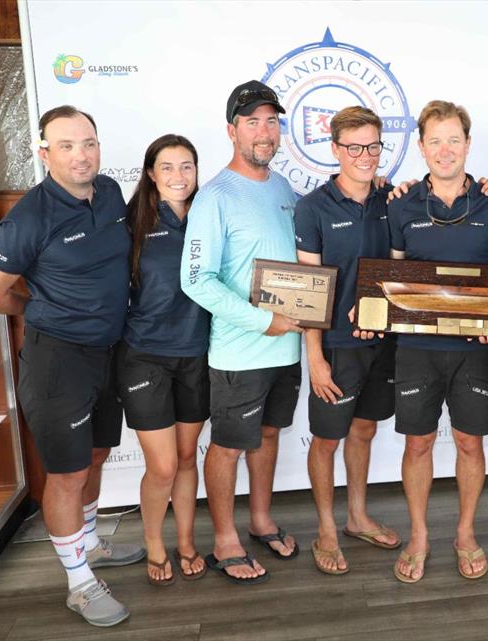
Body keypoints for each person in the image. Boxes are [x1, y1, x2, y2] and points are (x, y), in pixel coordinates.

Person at [0, 105, 144, 626]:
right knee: (65, 475)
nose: (81, 154)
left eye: (87, 142)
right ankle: (80, 583)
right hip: (56, 361)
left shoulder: (109, 192)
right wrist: (32, 309)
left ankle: (89, 543)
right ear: (45, 153)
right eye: (66, 146)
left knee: (96, 454)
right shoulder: (29, 217)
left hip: (108, 353)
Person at [181, 80, 301, 585]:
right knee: (229, 447)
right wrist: (261, 321)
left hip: (287, 347)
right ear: (232, 130)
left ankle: (259, 519)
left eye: (272, 121)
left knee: (268, 435)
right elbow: (195, 280)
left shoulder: (282, 188)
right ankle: (225, 538)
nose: (264, 131)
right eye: (252, 121)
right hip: (239, 353)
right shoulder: (214, 197)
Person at [388, 100, 488, 583]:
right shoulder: (399, 205)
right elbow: (393, 277)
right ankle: (419, 535)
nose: (445, 150)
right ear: (421, 148)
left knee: (469, 442)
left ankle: (465, 533)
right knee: (418, 443)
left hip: (474, 352)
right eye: (435, 140)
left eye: (453, 139)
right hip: (417, 350)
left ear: (468, 143)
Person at [294, 106, 400, 575]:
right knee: (326, 439)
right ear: (335, 149)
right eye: (354, 147)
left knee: (364, 429)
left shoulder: (394, 198)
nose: (365, 156)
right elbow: (309, 288)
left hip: (385, 342)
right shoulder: (312, 207)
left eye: (373, 146)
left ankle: (356, 517)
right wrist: (314, 356)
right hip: (336, 345)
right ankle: (326, 530)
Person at [117, 135, 210, 585]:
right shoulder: (130, 223)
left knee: (188, 457)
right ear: (151, 173)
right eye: (168, 167)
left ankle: (188, 541)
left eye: (187, 166)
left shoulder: (209, 216)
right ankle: (155, 544)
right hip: (145, 357)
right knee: (164, 466)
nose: (179, 176)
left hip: (197, 353)